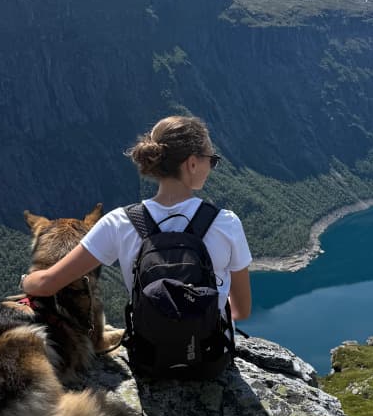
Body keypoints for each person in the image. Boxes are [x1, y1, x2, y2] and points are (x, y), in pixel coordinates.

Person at [20, 115, 252, 324]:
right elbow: (241, 310)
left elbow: (46, 284)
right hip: (211, 360)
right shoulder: (226, 223)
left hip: (148, 360)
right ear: (192, 163)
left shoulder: (119, 222)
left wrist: (26, 281)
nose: (212, 166)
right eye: (212, 159)